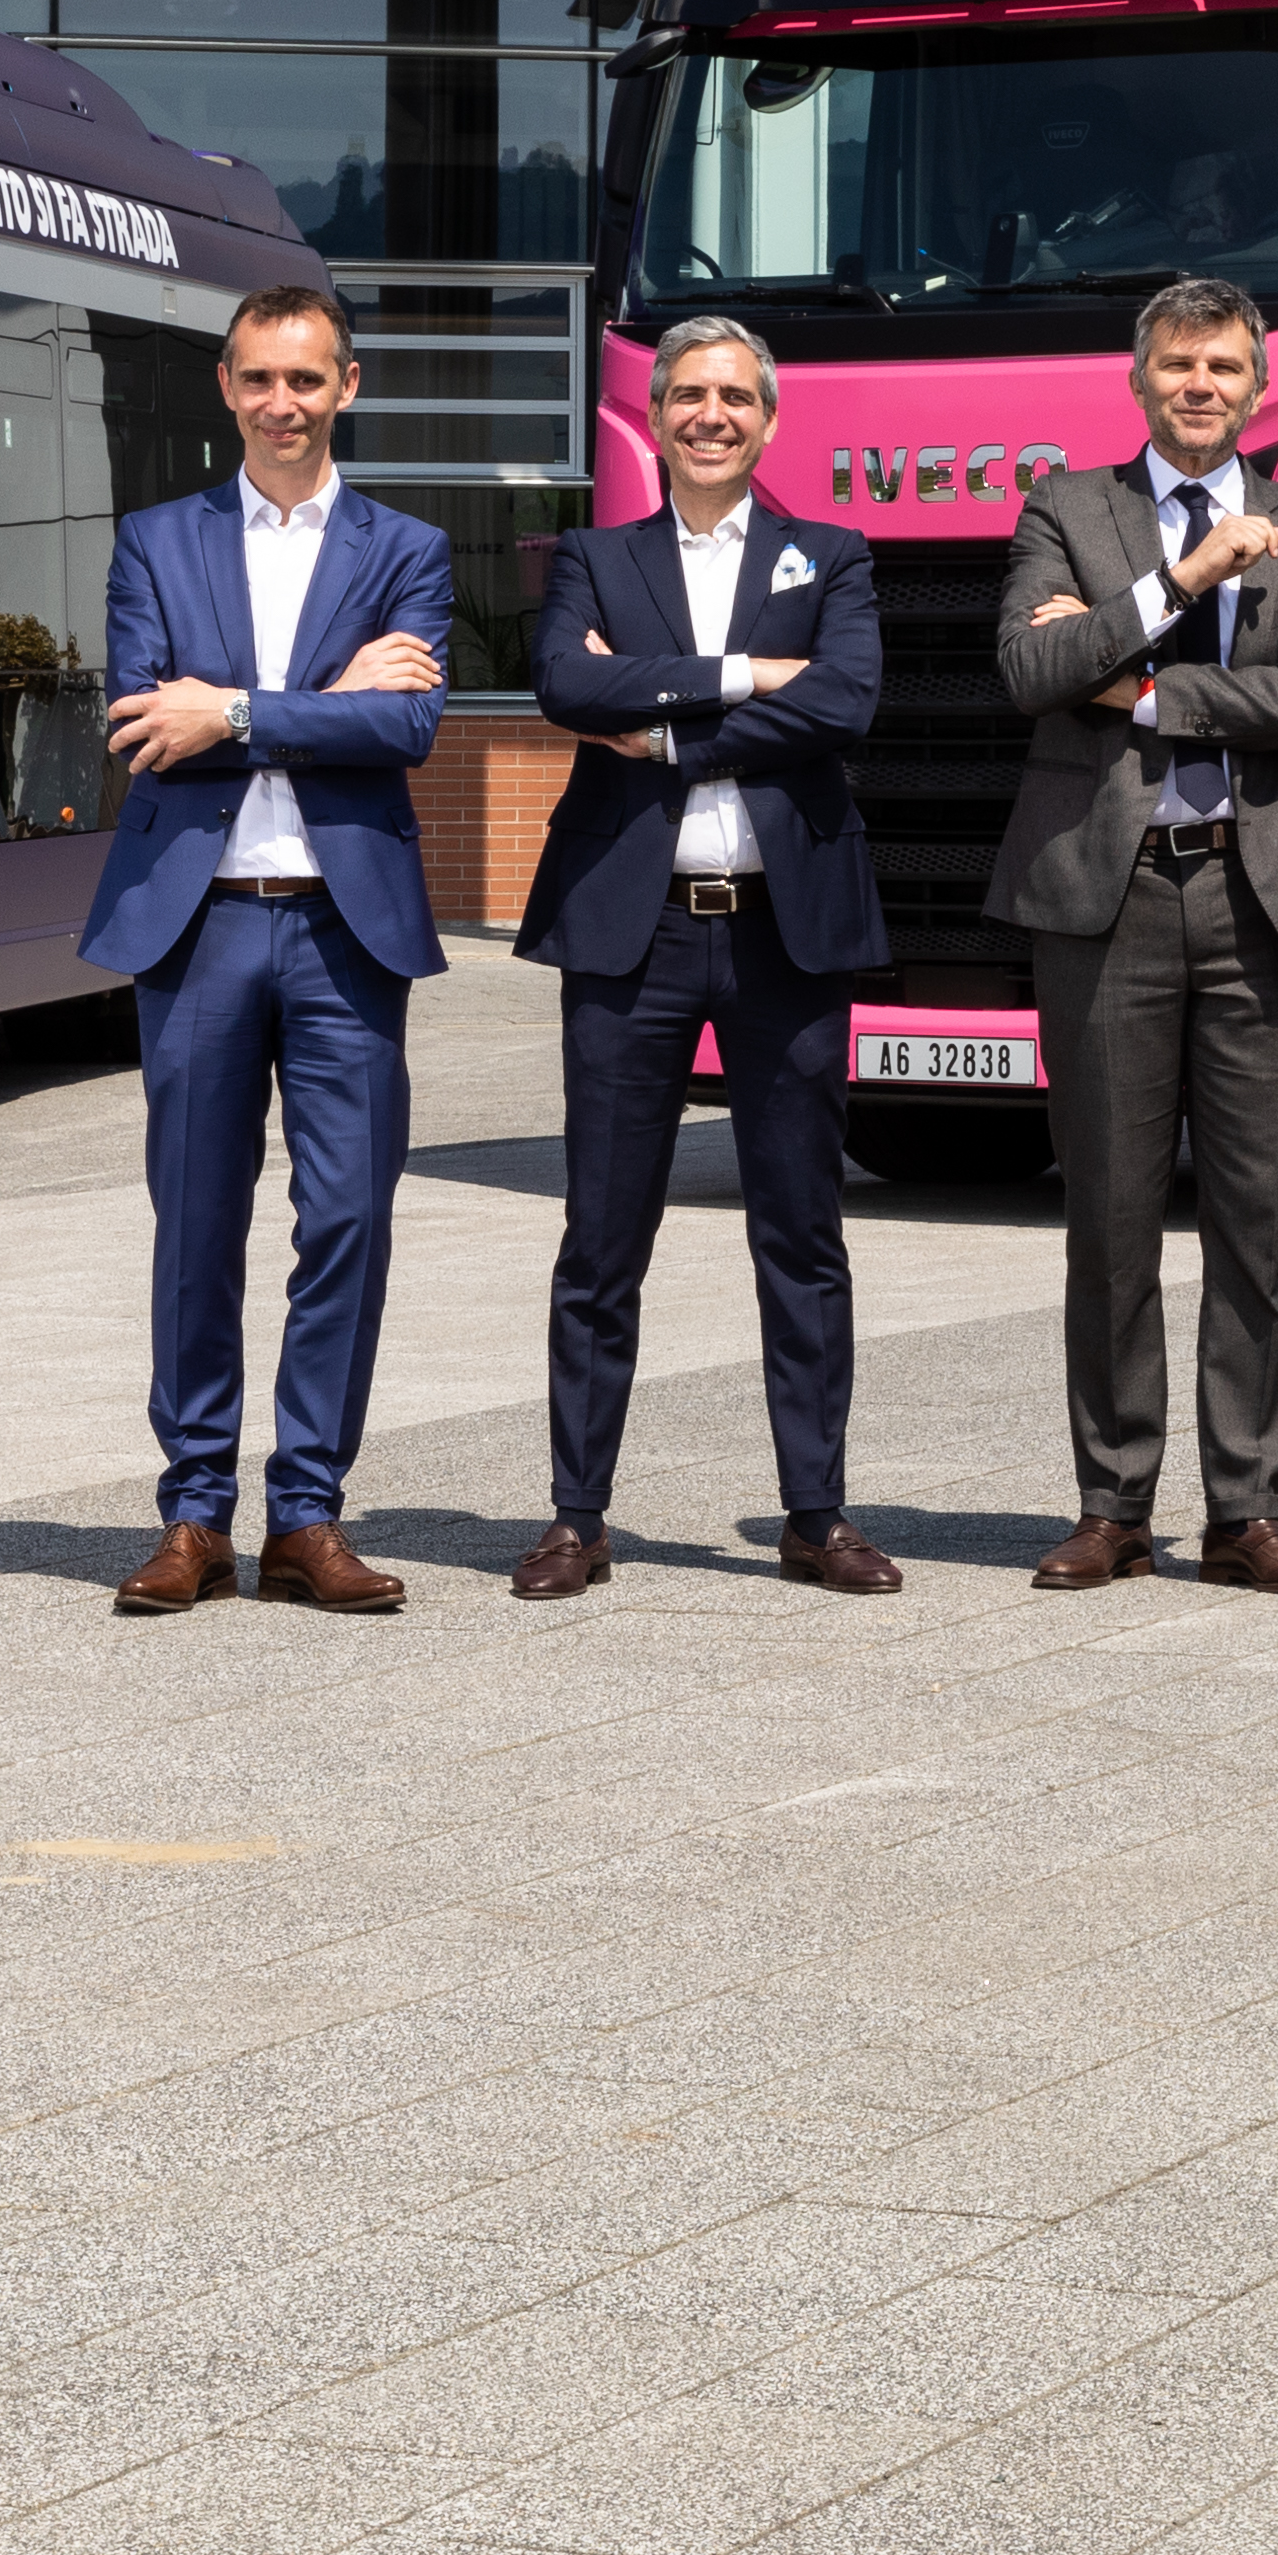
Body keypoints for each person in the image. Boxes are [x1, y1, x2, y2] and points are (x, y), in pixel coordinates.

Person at [78, 280, 453, 1618]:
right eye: (257, 379)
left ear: (347, 387)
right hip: (202, 919)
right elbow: (142, 722)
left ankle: (306, 1512)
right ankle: (193, 1515)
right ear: (226, 390)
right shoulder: (156, 542)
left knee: (346, 1217)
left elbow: (405, 732)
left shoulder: (406, 546)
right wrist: (315, 703)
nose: (281, 403)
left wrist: (230, 706)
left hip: (347, 932)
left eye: (306, 379)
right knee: (198, 1221)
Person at [989, 276, 1278, 1596]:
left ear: (1257, 387)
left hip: (1262, 898)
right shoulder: (1064, 507)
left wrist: (1138, 684)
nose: (1199, 386)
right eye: (1176, 367)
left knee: (1260, 1221)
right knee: (1109, 1214)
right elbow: (1031, 674)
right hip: (1110, 896)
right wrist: (1185, 579)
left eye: (1222, 367)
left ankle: (1246, 1509)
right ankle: (1113, 1504)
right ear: (1138, 382)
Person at [515, 314, 893, 1596]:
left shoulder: (829, 555)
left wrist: (669, 722)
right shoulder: (595, 557)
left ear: (770, 419)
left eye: (736, 396)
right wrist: (744, 675)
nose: (711, 415)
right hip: (637, 935)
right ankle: (578, 1513)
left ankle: (815, 1514)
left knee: (803, 1232)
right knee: (602, 1237)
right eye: (688, 395)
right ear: (658, 414)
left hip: (786, 932)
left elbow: (843, 700)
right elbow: (567, 684)